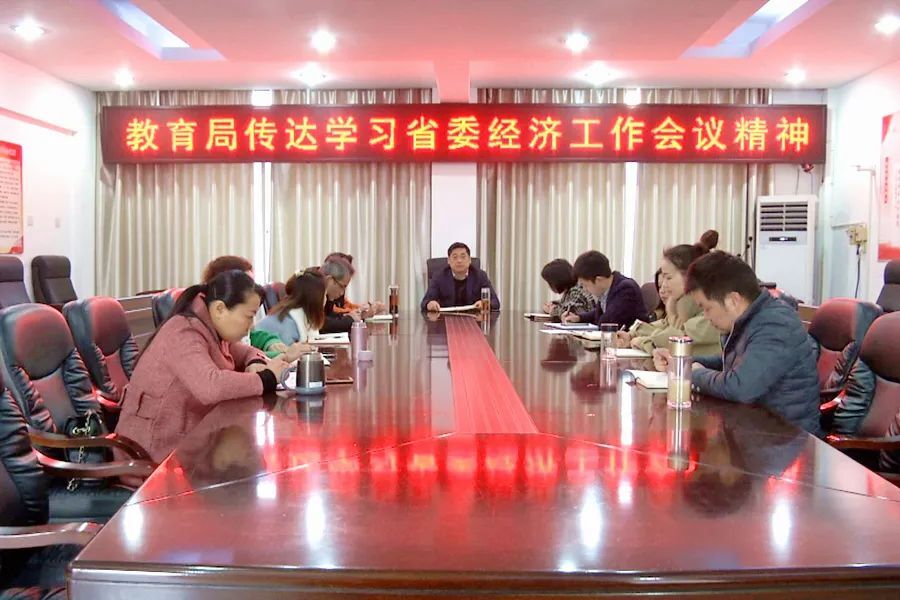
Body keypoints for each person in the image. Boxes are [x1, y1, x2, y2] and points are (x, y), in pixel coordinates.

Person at [115, 270, 290, 463]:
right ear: (220, 309)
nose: (251, 326)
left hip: (192, 441)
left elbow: (246, 351)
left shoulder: (211, 330)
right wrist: (266, 378)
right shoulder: (183, 332)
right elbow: (211, 386)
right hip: (153, 452)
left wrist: (255, 362)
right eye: (249, 316)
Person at [653, 252, 821, 436]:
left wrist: (690, 374)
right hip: (757, 429)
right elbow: (732, 362)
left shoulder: (776, 324)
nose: (706, 317)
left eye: (707, 308)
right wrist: (679, 363)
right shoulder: (752, 317)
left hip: (787, 439)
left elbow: (741, 387)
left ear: (733, 300)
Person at [621, 244, 721, 357]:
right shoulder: (681, 304)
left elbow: (671, 342)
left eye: (668, 277)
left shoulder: (710, 312)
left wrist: (641, 341)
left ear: (689, 277)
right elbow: (662, 328)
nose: (664, 285)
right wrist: (632, 335)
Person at [201, 255, 306, 360]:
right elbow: (238, 360)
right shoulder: (202, 336)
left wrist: (270, 342)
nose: (253, 289)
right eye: (247, 284)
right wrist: (282, 356)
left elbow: (252, 337)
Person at [561, 250, 645, 328]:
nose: (585, 289)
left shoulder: (626, 289)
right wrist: (578, 318)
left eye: (585, 285)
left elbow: (607, 321)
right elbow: (600, 312)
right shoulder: (608, 289)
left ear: (598, 280)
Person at [421, 242, 500, 312]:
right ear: (448, 261)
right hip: (445, 318)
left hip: (474, 318)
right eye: (455, 257)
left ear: (469, 260)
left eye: (463, 257)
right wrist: (430, 304)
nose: (459, 260)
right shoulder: (439, 276)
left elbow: (495, 302)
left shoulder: (480, 275)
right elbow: (425, 302)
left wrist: (485, 304)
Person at [255, 269, 327, 344]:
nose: (325, 299)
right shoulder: (288, 325)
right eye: (324, 294)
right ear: (316, 298)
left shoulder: (286, 312)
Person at [323, 252, 386, 317]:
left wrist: (366, 308)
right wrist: (358, 313)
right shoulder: (320, 288)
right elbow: (331, 315)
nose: (342, 292)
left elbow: (346, 305)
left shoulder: (336, 287)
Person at [320, 255, 359, 333]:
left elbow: (329, 317)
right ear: (330, 280)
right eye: (342, 287)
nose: (342, 293)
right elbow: (320, 324)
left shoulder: (326, 294)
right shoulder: (312, 289)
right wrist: (350, 319)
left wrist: (330, 300)